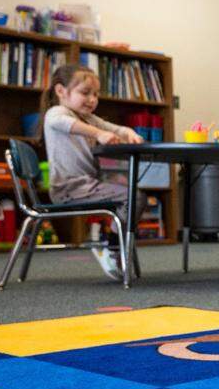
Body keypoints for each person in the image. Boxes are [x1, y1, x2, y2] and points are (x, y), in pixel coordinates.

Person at [41, 64, 144, 279]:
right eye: (85, 93)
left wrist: (129, 132)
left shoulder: (89, 118)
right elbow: (63, 122)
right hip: (68, 188)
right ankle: (113, 250)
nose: (92, 99)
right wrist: (98, 134)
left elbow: (116, 129)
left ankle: (113, 247)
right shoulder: (56, 112)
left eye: (95, 94)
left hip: (86, 185)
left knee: (134, 196)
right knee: (133, 197)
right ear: (61, 91)